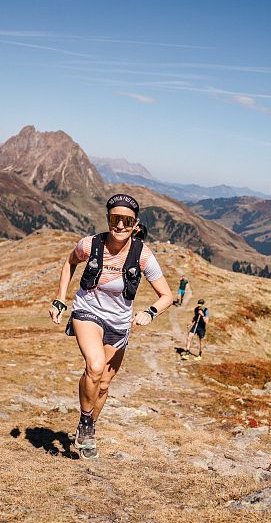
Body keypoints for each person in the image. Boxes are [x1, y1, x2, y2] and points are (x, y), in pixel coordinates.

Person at [49, 193, 173, 459]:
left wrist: (149, 313)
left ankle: (89, 428)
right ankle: (85, 420)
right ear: (107, 219)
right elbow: (70, 262)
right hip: (88, 311)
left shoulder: (143, 255)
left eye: (126, 221)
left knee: (103, 384)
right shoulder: (89, 245)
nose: (120, 226)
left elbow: (167, 296)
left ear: (135, 224)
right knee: (94, 367)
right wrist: (60, 299)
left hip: (119, 322)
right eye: (115, 219)